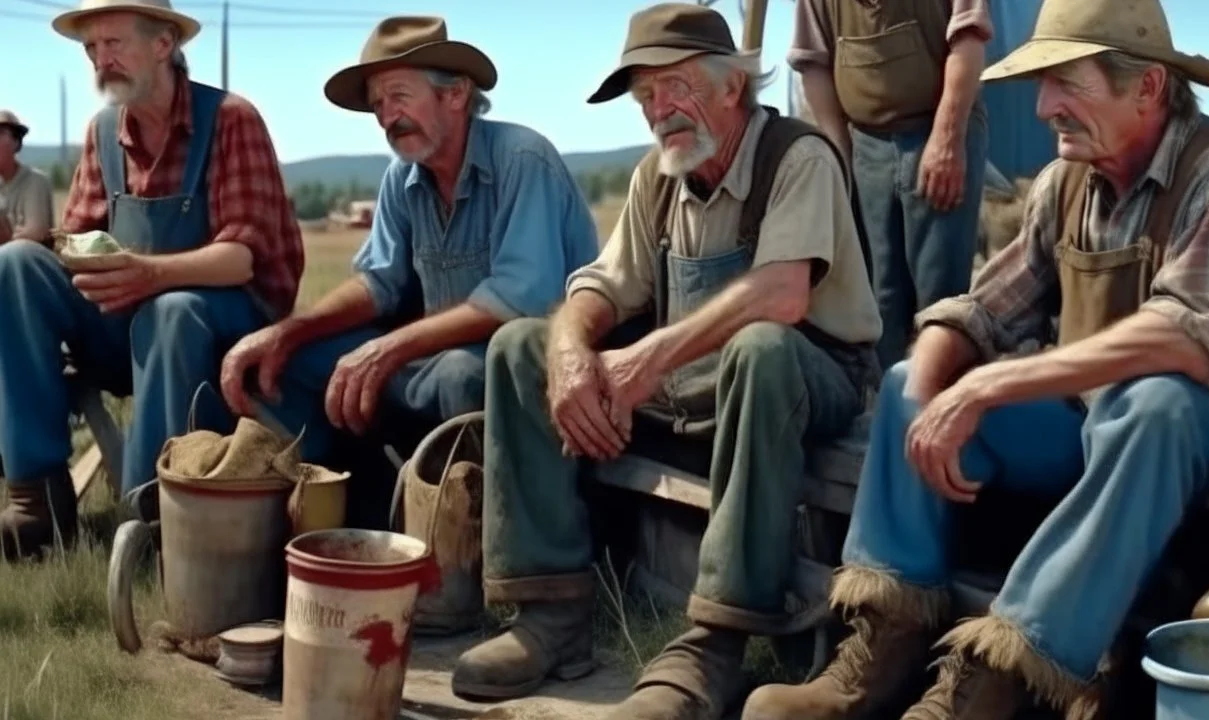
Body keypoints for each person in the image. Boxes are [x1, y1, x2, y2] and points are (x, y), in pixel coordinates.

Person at [742, 0, 1209, 718]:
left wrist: (995, 382)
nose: (1045, 105)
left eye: (1065, 83)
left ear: (1146, 88)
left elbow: (1185, 338)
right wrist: (939, 386)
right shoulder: (1066, 181)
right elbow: (984, 311)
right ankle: (881, 650)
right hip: (1100, 420)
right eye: (1041, 83)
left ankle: (1001, 676)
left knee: (1151, 402)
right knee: (909, 379)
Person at [454, 4, 881, 717]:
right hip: (691, 385)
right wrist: (567, 353)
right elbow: (602, 286)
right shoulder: (659, 175)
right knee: (518, 346)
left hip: (808, 381)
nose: (660, 110)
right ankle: (550, 612)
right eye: (646, 95)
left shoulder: (797, 155)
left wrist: (647, 358)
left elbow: (781, 292)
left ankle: (718, 639)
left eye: (675, 86)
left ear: (732, 88)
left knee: (762, 348)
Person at [219, 16, 600, 524]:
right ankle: (309, 520)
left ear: (457, 94)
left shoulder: (521, 159)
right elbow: (380, 281)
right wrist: (289, 333)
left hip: (530, 370)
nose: (386, 116)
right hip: (434, 359)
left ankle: (473, 546)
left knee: (465, 373)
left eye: (399, 95)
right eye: (377, 104)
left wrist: (386, 348)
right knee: (293, 365)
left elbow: (518, 297)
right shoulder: (403, 178)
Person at [0, 0, 302, 557]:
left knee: (173, 309)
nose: (100, 60)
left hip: (226, 334)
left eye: (114, 44)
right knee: (16, 264)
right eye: (92, 49)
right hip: (130, 323)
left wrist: (149, 275)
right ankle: (37, 500)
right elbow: (79, 237)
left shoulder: (230, 119)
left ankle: (147, 517)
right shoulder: (103, 130)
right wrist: (70, 260)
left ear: (164, 44)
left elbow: (244, 258)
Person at [789, 0, 991, 369]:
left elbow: (969, 40)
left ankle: (943, 402)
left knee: (939, 294)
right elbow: (813, 64)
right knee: (879, 297)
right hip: (866, 144)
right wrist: (841, 160)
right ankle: (892, 408)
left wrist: (947, 138)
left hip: (938, 128)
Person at [0, 111, 55, 245]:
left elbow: (36, 233)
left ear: (16, 142)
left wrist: (8, 237)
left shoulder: (36, 182)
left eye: (0, 133)